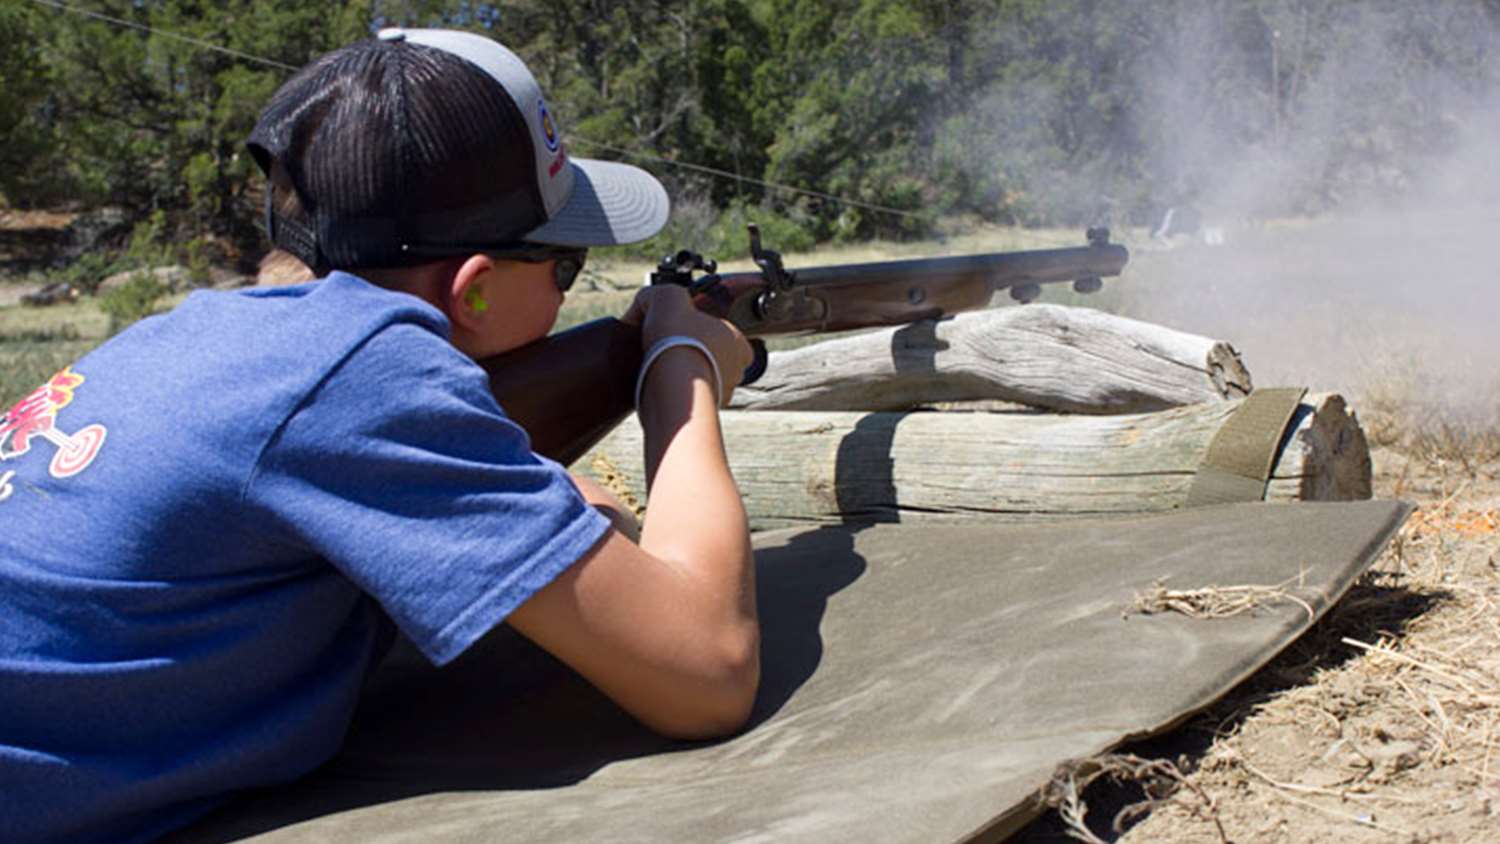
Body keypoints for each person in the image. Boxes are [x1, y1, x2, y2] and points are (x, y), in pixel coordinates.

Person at [0, 28, 759, 844]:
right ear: (470, 292)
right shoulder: (361, 376)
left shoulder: (175, 341)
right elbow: (707, 669)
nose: (569, 282)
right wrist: (681, 371)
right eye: (561, 265)